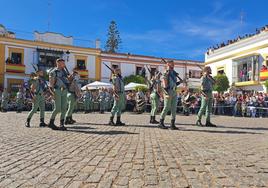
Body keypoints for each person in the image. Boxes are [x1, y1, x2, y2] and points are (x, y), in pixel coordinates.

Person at [159, 60, 182, 130]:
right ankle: (161, 122)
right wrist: (166, 93)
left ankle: (172, 124)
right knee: (166, 107)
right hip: (168, 92)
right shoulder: (166, 73)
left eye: (174, 64)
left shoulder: (173, 73)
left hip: (174, 91)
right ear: (168, 65)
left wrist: (180, 82)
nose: (173, 65)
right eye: (172, 64)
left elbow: (174, 84)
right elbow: (164, 85)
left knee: (174, 108)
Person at [48, 58, 70, 131]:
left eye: (64, 63)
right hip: (57, 91)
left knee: (64, 108)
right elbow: (50, 85)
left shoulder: (64, 72)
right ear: (58, 63)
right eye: (63, 63)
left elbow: (67, 81)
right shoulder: (53, 72)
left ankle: (62, 124)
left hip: (64, 91)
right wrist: (52, 94)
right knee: (57, 108)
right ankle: (51, 122)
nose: (64, 64)